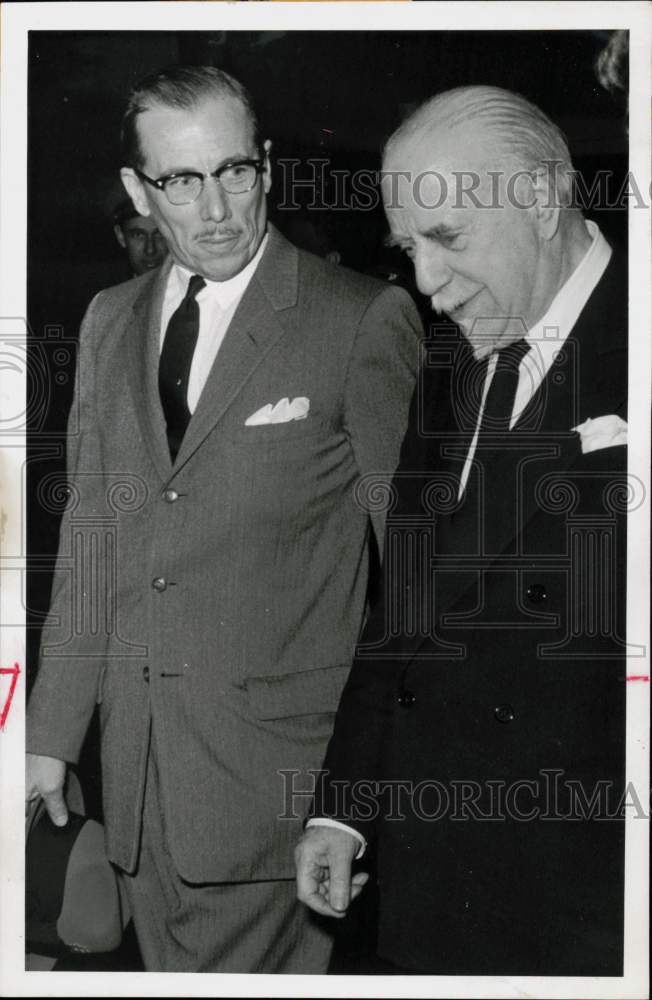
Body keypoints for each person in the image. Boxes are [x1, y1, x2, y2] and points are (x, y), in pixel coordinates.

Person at [26, 65, 421, 973]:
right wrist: (50, 735)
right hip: (134, 781)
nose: (215, 209)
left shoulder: (358, 318)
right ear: (137, 190)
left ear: (269, 167)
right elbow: (93, 536)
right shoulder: (108, 320)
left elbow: (415, 582)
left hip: (277, 802)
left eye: (234, 172)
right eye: (180, 181)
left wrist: (353, 801)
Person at [296, 85, 628, 976]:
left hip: (588, 913)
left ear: (544, 197)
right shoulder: (452, 358)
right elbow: (403, 601)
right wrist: (344, 803)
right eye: (409, 249)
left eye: (447, 239)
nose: (427, 284)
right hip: (428, 881)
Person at [113, 198, 168, 276]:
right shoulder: (110, 286)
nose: (150, 250)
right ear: (120, 236)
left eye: (159, 234)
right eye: (138, 235)